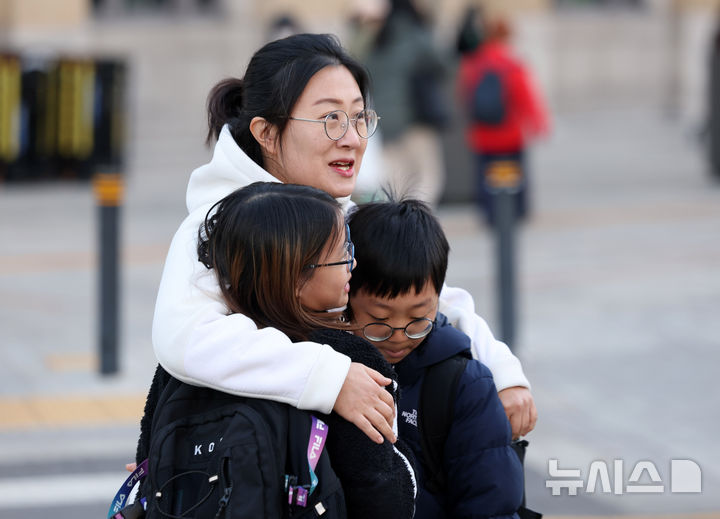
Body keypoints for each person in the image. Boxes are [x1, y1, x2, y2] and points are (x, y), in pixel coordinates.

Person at [152, 33, 536, 446]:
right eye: (330, 119)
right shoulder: (217, 225)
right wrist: (328, 377)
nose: (352, 138)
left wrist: (503, 372)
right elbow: (185, 337)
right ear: (266, 132)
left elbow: (431, 298)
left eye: (359, 117)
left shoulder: (343, 216)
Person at [134, 182, 417, 518]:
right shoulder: (347, 362)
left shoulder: (182, 368)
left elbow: (146, 462)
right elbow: (385, 491)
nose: (352, 264)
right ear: (297, 279)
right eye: (343, 254)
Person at [346, 196, 524, 518]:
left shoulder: (464, 385)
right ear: (345, 298)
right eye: (379, 321)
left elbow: (491, 500)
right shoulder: (331, 370)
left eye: (417, 320)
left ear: (439, 299)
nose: (399, 335)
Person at [457, 14, 550, 225]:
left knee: (486, 177)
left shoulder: (472, 64)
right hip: (511, 135)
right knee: (515, 176)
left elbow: (464, 97)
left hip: (482, 136)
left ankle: (489, 214)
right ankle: (516, 213)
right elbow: (526, 98)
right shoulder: (512, 64)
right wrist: (538, 124)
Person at [361, 0, 450, 206]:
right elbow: (445, 64)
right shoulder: (416, 35)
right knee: (428, 176)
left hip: (385, 122)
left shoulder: (377, 40)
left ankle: (401, 226)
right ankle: (418, 223)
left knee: (396, 181)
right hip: (416, 118)